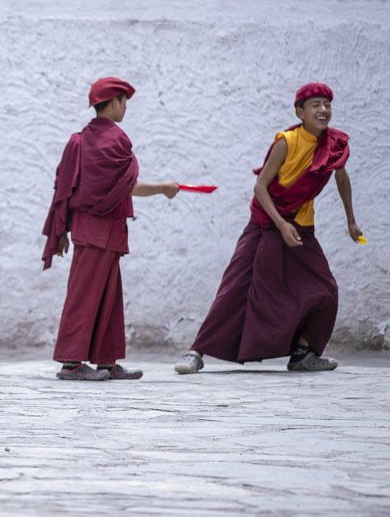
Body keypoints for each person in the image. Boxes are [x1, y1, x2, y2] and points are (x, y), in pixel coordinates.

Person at [175, 83, 360, 375]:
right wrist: (281, 223)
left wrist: (350, 220)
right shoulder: (286, 141)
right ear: (300, 111)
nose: (323, 110)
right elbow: (260, 187)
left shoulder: (334, 143)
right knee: (235, 287)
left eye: (327, 104)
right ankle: (196, 352)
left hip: (301, 228)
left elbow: (342, 178)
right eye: (315, 105)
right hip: (265, 223)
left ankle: (303, 353)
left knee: (326, 289)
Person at [42, 77, 179, 381]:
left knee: (107, 296)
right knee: (85, 296)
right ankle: (71, 363)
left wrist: (61, 229)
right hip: (100, 229)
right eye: (124, 102)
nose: (125, 108)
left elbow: (65, 188)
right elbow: (126, 186)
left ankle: (106, 360)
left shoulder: (79, 140)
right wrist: (163, 188)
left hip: (92, 229)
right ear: (115, 102)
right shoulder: (115, 139)